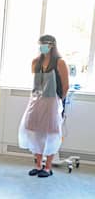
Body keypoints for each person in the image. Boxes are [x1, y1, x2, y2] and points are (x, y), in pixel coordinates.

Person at [18, 35, 69, 178]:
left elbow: (65, 86)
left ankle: (48, 167)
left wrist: (58, 101)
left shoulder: (60, 63)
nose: (42, 46)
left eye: (45, 44)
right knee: (33, 129)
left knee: (51, 132)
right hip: (36, 100)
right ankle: (38, 164)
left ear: (52, 45)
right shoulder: (36, 62)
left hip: (52, 101)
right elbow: (36, 83)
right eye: (40, 44)